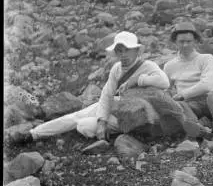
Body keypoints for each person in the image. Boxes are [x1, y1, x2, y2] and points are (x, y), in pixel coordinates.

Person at [9, 31, 171, 144]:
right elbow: (107, 95)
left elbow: (164, 82)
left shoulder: (148, 65)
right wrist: (102, 121)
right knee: (76, 116)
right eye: (119, 51)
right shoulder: (117, 69)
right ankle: (33, 135)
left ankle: (102, 130)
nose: (123, 55)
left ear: (137, 51)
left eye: (127, 50)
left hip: (138, 116)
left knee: (83, 126)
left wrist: (139, 80)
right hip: (118, 105)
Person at [163, 22, 213, 141]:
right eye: (181, 41)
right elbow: (166, 88)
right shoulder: (169, 66)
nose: (185, 45)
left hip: (208, 98)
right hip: (189, 104)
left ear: (195, 41)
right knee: (180, 106)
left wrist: (182, 94)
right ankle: (198, 130)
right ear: (175, 42)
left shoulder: (206, 58)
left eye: (189, 41)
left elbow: (207, 85)